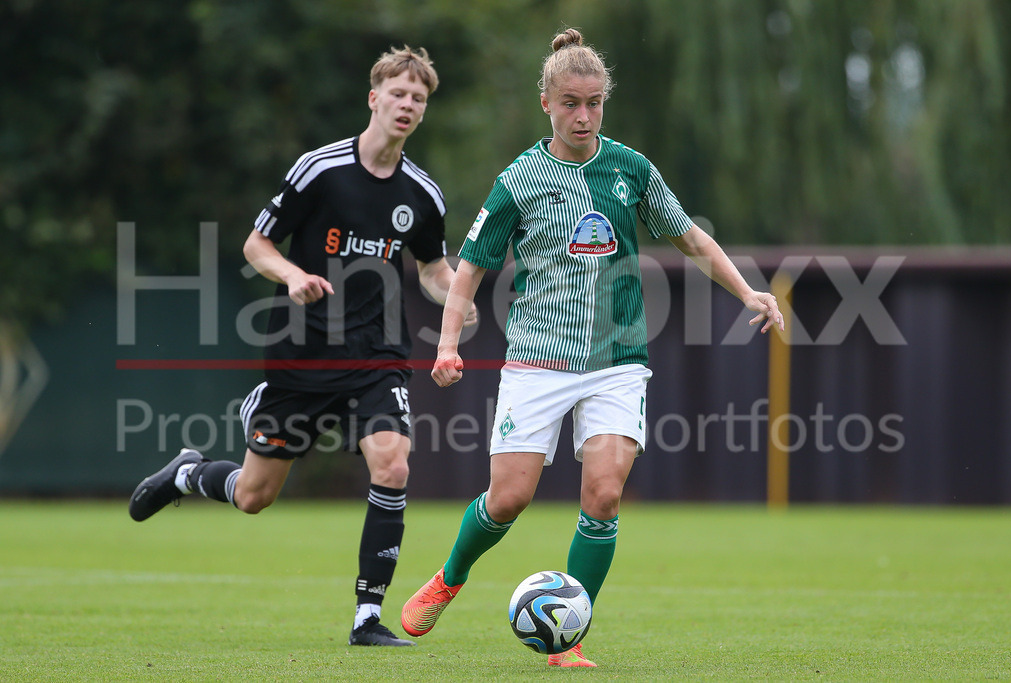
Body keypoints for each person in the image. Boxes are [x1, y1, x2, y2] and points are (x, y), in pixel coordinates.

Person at [400, 29, 784, 667]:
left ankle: (567, 640)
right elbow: (469, 269)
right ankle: (450, 577)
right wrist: (446, 344)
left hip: (618, 362)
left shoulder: (631, 168)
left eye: (595, 103)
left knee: (603, 495)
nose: (584, 116)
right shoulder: (517, 179)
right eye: (571, 103)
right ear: (546, 103)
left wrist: (748, 292)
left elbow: (692, 238)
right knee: (509, 498)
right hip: (536, 359)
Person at [129, 45, 475, 647]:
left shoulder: (423, 194)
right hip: (303, 354)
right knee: (254, 496)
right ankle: (189, 474)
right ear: (374, 98)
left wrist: (458, 297)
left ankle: (367, 619)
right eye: (398, 94)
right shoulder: (321, 169)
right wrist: (292, 275)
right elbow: (256, 245)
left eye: (418, 99)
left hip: (377, 355)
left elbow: (431, 269)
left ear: (424, 110)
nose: (407, 105)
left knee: (393, 464)